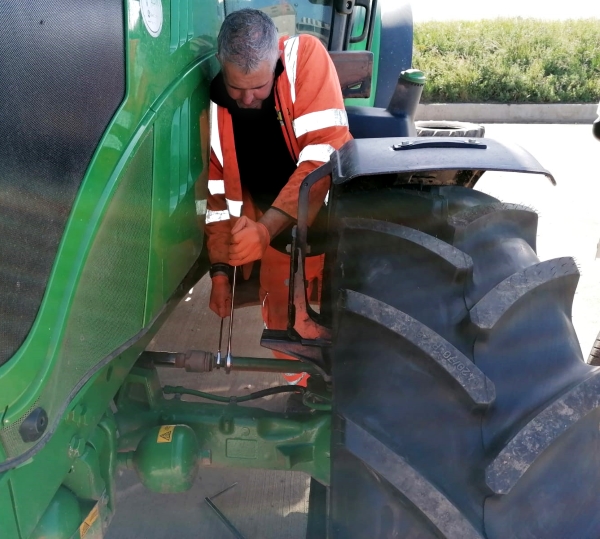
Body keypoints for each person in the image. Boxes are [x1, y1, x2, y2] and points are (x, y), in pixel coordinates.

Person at [206, 8, 352, 386]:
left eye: (258, 86)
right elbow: (217, 195)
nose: (249, 99)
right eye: (237, 87)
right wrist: (221, 273)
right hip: (275, 249)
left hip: (329, 236)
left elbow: (324, 156)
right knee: (285, 337)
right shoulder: (217, 105)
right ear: (222, 64)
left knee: (342, 335)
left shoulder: (306, 57)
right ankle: (302, 393)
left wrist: (264, 229)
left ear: (276, 60)